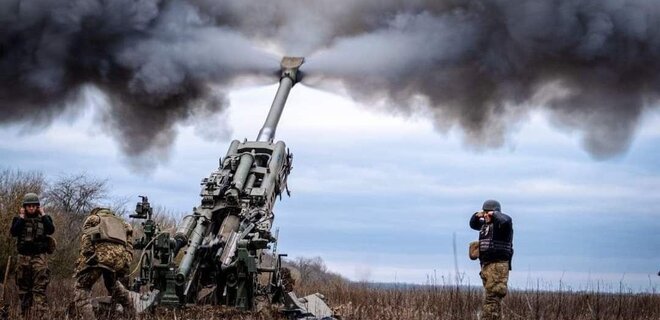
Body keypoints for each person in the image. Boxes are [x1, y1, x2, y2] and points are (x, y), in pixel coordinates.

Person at [72, 207, 137, 318]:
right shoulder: (123, 224)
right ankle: (132, 314)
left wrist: (88, 258)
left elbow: (86, 238)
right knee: (114, 286)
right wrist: (125, 263)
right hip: (117, 262)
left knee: (82, 289)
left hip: (99, 258)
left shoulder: (94, 219)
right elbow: (129, 246)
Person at [10, 193, 55, 317]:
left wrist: (44, 214)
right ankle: (25, 315)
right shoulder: (19, 219)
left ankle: (42, 315)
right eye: (29, 206)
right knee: (24, 289)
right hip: (23, 257)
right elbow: (14, 232)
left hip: (39, 257)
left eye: (34, 206)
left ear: (38, 207)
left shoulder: (45, 219)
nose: (31, 208)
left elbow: (51, 230)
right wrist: (21, 217)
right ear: (24, 207)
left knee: (39, 288)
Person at [469, 199, 513, 320]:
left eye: (489, 213)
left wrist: (494, 214)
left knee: (492, 300)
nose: (486, 216)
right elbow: (473, 224)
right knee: (491, 300)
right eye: (485, 213)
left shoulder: (503, 226)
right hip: (486, 266)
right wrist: (478, 215)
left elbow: (506, 220)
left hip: (498, 266)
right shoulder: (485, 226)